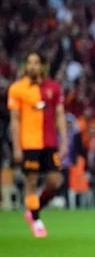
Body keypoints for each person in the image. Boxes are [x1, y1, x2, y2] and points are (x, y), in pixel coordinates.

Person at [7, 52, 67, 238]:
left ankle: (34, 210)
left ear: (43, 66)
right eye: (29, 62)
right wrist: (17, 147)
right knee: (31, 181)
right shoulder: (17, 89)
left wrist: (64, 141)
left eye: (36, 63)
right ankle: (36, 220)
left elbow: (59, 115)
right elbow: (15, 120)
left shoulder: (53, 87)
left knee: (54, 181)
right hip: (29, 142)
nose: (32, 66)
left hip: (49, 141)